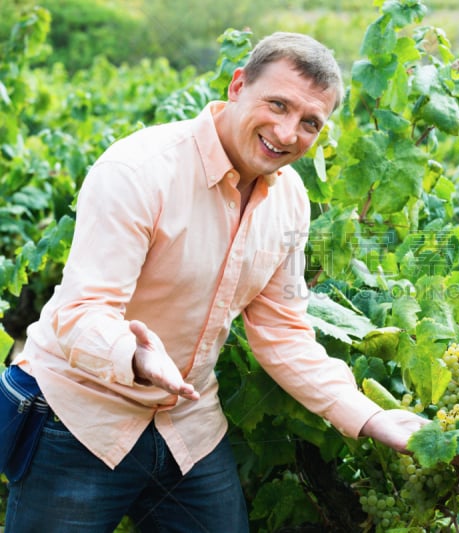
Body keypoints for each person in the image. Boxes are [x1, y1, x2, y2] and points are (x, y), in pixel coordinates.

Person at [4, 31, 428, 532]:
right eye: (277, 104)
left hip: (188, 424)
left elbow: (283, 333)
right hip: (79, 417)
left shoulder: (290, 199)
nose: (288, 132)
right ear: (237, 85)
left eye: (310, 122)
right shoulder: (139, 170)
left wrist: (370, 417)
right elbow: (82, 313)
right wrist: (135, 355)